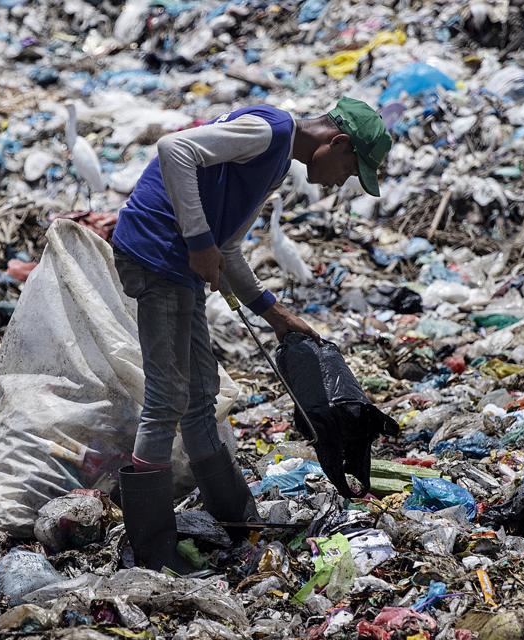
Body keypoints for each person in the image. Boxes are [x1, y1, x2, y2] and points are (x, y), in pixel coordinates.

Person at [111, 97, 392, 573]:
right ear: (337, 142)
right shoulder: (269, 132)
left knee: (200, 395)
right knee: (167, 397)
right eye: (350, 168)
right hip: (158, 253)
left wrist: (275, 313)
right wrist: (198, 241)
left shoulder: (278, 161)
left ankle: (238, 520)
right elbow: (174, 148)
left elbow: (229, 249)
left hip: (182, 265)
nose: (343, 180)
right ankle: (152, 549)